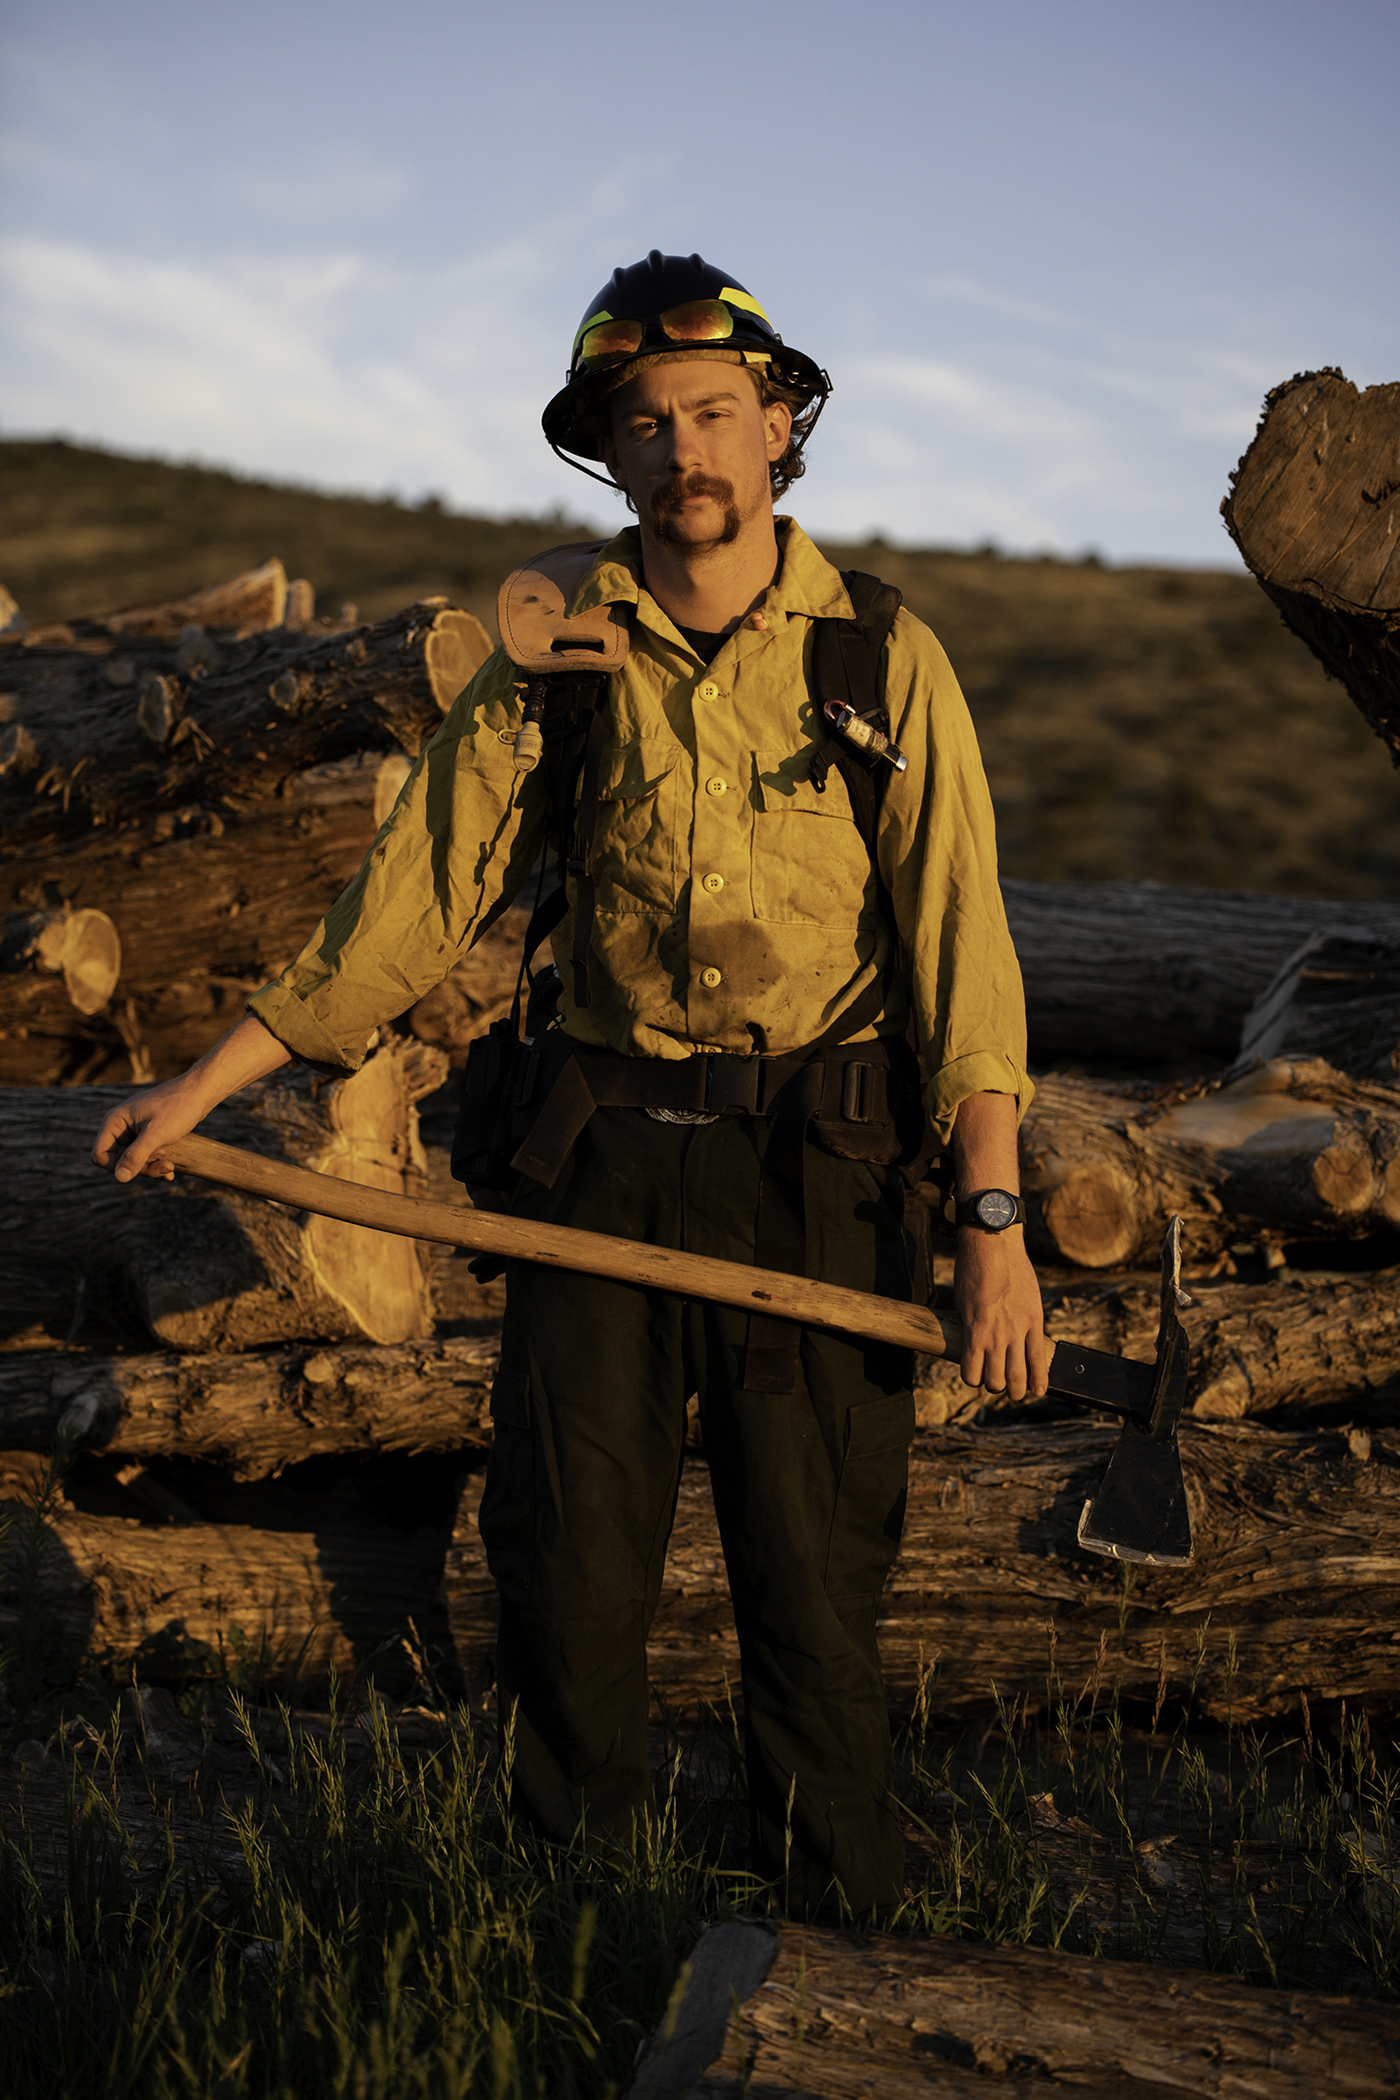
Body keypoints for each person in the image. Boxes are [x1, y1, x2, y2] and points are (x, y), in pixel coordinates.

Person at [94, 250, 1046, 1915]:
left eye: (715, 412)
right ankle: (580, 1923)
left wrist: (990, 1217)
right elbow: (407, 902)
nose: (685, 447)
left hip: (811, 1169)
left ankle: (842, 1930)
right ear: (609, 451)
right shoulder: (558, 660)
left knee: (816, 1571)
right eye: (646, 420)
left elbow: (965, 956)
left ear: (778, 432)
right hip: (600, 1154)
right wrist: (205, 1083)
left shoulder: (878, 663)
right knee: (571, 1567)